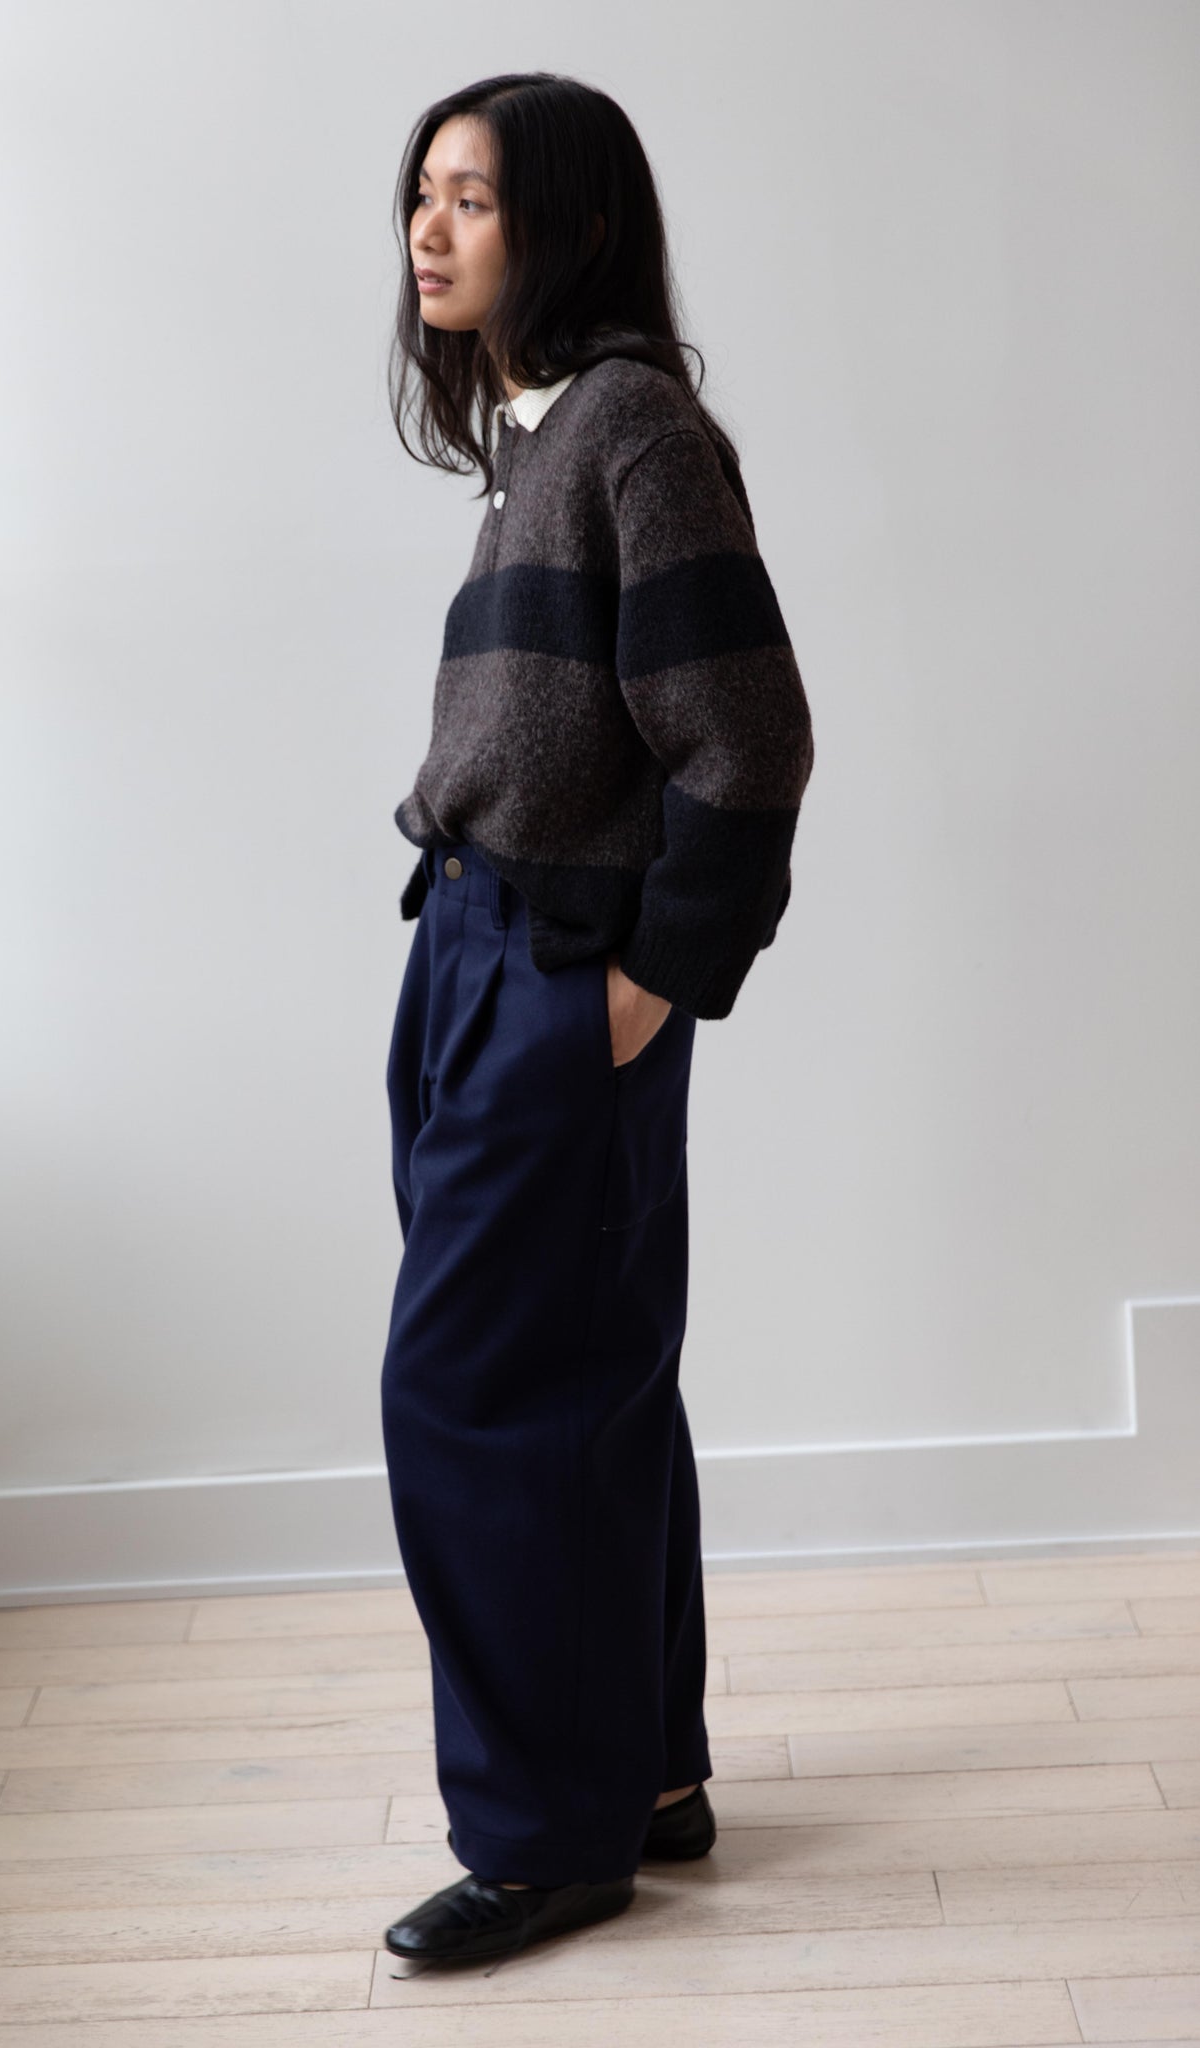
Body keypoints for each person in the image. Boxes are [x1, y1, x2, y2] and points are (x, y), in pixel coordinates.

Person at [378, 72, 815, 1967]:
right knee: (586, 1379)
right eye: (421, 194)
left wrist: (658, 977)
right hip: (480, 945)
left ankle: (545, 1837)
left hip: (557, 968)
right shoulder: (542, 437)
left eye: (472, 197)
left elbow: (751, 735)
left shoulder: (628, 427)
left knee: (470, 1397)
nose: (428, 229)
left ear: (567, 224)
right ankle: (638, 1776)